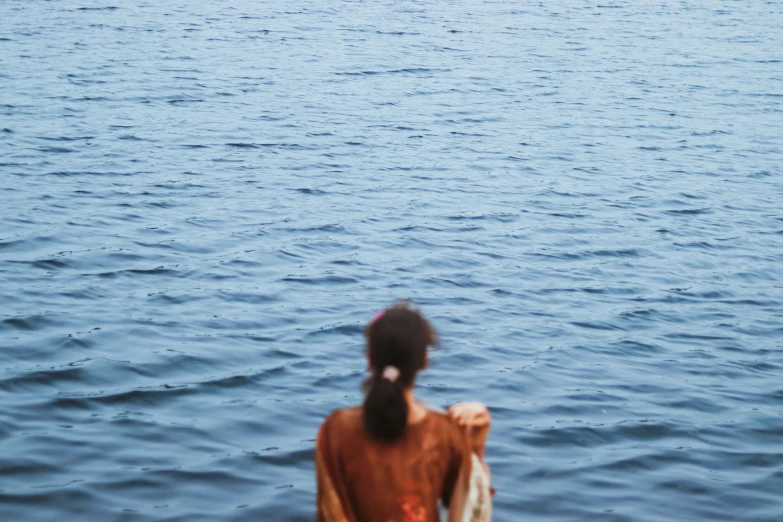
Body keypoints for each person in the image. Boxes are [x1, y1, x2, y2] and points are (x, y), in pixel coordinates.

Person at [315, 301, 492, 522]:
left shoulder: (336, 429)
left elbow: (331, 509)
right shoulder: (445, 433)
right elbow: (469, 508)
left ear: (369, 357)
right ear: (424, 361)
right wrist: (475, 447)